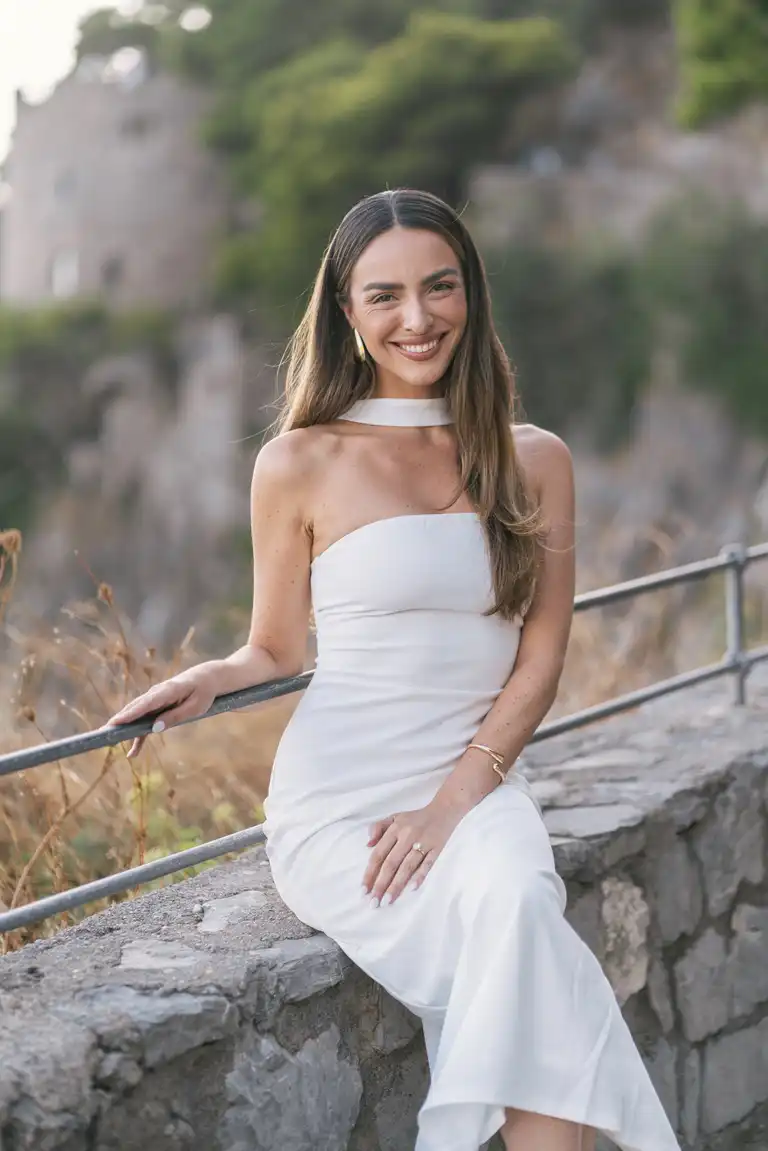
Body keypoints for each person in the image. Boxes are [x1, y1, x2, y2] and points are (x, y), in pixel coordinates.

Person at [109, 188, 680, 1151]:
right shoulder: (298, 460)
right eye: (386, 296)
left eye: (439, 287)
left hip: (478, 782)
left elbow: (541, 658)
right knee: (533, 958)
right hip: (344, 804)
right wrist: (214, 676)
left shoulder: (535, 461)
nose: (418, 318)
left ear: (472, 295)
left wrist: (454, 800)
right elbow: (278, 649)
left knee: (515, 902)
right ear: (348, 312)